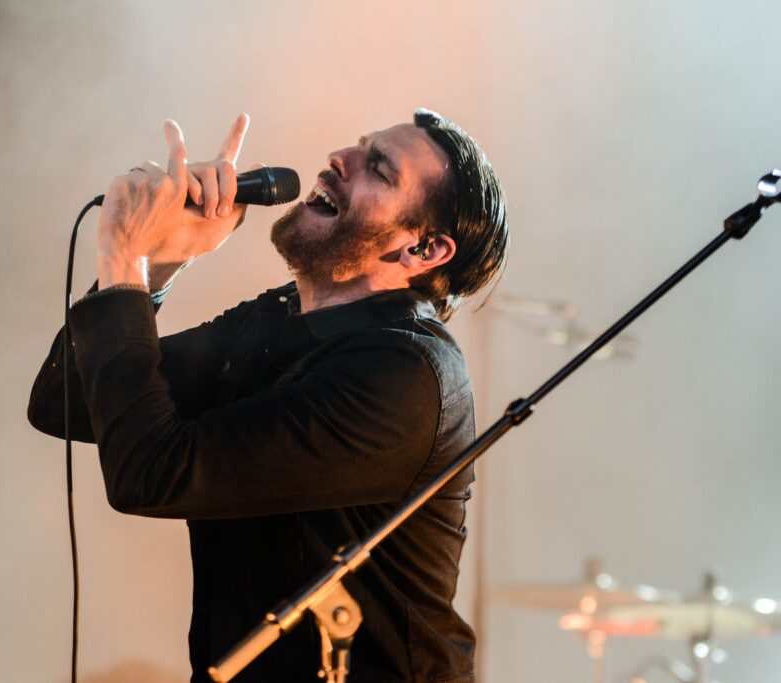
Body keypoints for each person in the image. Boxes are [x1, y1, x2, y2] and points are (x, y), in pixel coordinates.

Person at [28, 108, 508, 683]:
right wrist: (156, 264)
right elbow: (63, 401)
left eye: (378, 169)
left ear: (424, 250)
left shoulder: (407, 375)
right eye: (359, 146)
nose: (340, 158)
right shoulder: (276, 320)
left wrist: (123, 255)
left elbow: (151, 475)